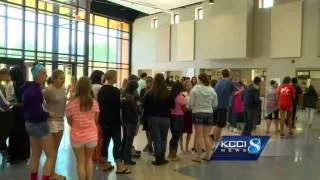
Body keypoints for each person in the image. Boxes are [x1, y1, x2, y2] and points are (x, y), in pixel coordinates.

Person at [22, 62, 55, 180]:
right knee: (51, 156)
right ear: (37, 75)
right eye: (44, 73)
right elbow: (37, 112)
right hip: (40, 125)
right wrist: (48, 114)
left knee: (35, 155)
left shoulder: (27, 88)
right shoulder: (35, 91)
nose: (46, 75)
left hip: (29, 124)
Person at [66, 77, 99, 180]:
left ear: (77, 87)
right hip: (92, 136)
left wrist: (77, 126)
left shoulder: (71, 104)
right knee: (89, 160)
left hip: (76, 136)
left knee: (80, 162)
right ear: (89, 87)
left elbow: (69, 122)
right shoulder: (94, 103)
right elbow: (96, 121)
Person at [98, 70, 130, 174]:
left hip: (103, 120)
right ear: (112, 77)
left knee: (105, 142)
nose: (117, 78)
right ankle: (119, 166)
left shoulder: (102, 89)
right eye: (116, 76)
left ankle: (105, 163)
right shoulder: (115, 91)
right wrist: (124, 102)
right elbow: (117, 106)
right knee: (117, 143)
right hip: (114, 121)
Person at [144, 73, 173, 166]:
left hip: (152, 118)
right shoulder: (168, 92)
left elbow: (145, 106)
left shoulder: (149, 92)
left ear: (154, 80)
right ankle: (162, 158)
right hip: (165, 118)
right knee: (164, 138)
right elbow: (172, 105)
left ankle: (158, 159)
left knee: (156, 139)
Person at [43, 69, 67, 179]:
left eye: (64, 78)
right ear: (54, 79)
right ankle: (50, 174)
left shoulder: (63, 88)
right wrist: (47, 113)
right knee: (52, 150)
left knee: (55, 149)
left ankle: (52, 172)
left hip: (61, 120)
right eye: (61, 78)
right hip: (51, 121)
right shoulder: (48, 90)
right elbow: (40, 104)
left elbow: (62, 101)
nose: (63, 80)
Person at [189, 73, 218, 162]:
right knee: (206, 136)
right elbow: (215, 104)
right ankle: (208, 155)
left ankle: (198, 156)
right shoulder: (212, 90)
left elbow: (190, 103)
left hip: (198, 113)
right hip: (209, 114)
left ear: (200, 80)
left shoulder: (195, 89)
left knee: (199, 136)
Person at [7, 67, 30, 164]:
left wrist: (12, 104)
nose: (10, 76)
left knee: (18, 134)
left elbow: (24, 103)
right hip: (19, 113)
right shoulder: (17, 84)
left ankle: (19, 156)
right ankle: (20, 155)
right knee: (18, 134)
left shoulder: (22, 86)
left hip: (20, 113)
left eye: (11, 74)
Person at [89, 70, 110, 170]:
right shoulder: (101, 88)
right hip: (99, 114)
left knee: (92, 135)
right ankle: (99, 156)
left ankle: (93, 156)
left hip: (89, 114)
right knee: (100, 136)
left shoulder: (89, 87)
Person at [213, 69, 236, 144]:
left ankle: (214, 138)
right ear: (229, 75)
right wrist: (242, 90)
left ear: (222, 75)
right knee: (220, 125)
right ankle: (216, 142)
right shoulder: (229, 83)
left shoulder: (218, 83)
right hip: (223, 107)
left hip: (216, 106)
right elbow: (235, 92)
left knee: (217, 124)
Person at [121, 78, 139, 165]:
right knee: (129, 139)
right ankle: (127, 159)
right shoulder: (132, 96)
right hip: (132, 119)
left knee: (125, 138)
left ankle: (122, 156)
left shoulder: (123, 93)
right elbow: (135, 109)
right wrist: (137, 105)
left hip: (124, 119)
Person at [169, 82, 186, 161]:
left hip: (172, 117)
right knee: (177, 136)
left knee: (173, 135)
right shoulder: (180, 97)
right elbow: (184, 108)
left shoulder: (170, 96)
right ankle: (174, 155)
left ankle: (170, 153)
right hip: (179, 117)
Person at [141, 76, 153, 154]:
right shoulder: (143, 90)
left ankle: (150, 144)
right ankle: (149, 144)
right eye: (148, 82)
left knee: (151, 129)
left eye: (150, 82)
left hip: (152, 112)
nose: (149, 83)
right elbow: (141, 100)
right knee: (147, 129)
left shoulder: (154, 91)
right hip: (146, 112)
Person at [180, 80, 193, 153]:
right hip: (183, 113)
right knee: (181, 131)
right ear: (184, 86)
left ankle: (187, 147)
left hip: (190, 113)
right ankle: (181, 147)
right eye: (187, 85)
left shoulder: (193, 93)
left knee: (189, 132)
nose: (189, 86)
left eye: (190, 85)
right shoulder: (182, 94)